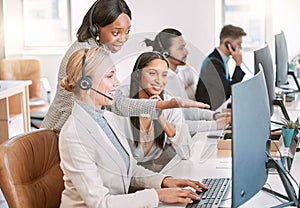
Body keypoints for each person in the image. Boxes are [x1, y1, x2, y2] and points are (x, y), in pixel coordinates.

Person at [59, 47, 207, 207]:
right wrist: (157, 196)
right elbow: (101, 203)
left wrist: (165, 181)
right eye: (110, 76)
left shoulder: (105, 116)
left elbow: (129, 168)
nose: (117, 82)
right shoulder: (74, 135)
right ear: (86, 83)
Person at [42, 0, 208, 135]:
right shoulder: (88, 55)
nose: (124, 38)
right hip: (58, 133)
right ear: (96, 28)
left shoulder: (94, 48)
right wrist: (160, 106)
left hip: (75, 131)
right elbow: (118, 104)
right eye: (116, 32)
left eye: (127, 31)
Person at [143, 28, 231, 135]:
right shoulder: (162, 83)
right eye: (181, 48)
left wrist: (214, 116)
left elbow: (185, 111)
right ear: (165, 53)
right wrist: (214, 125)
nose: (186, 52)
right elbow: (174, 124)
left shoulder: (174, 77)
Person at [113, 52, 192, 170]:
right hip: (124, 176)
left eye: (164, 75)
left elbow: (186, 153)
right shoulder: (121, 104)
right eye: (152, 73)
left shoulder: (170, 104)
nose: (159, 81)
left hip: (154, 175)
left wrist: (161, 117)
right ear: (137, 75)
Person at [195, 24, 247, 110]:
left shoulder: (220, 59)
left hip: (219, 105)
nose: (240, 47)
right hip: (210, 110)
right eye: (238, 43)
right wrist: (238, 64)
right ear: (227, 43)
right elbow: (229, 90)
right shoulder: (212, 63)